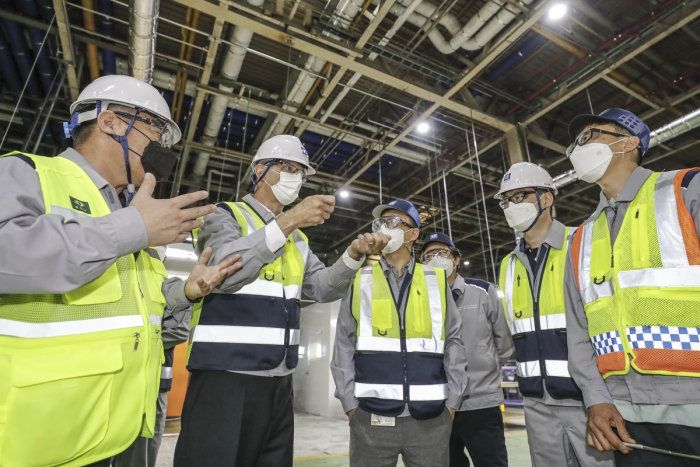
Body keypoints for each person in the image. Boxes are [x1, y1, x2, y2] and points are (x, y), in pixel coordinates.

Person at [0, 75, 241, 467]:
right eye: (156, 131)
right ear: (111, 122)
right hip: (40, 441)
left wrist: (187, 294)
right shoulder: (26, 174)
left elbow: (143, 321)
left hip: (123, 434)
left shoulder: (131, 216)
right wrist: (132, 228)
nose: (162, 149)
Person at [173, 134, 389, 467]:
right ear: (259, 170)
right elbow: (224, 272)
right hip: (224, 378)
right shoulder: (225, 216)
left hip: (279, 380)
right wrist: (289, 221)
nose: (296, 177)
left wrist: (353, 255)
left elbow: (321, 289)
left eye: (301, 172)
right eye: (287, 166)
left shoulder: (297, 240)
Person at [564, 108, 700, 466]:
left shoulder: (686, 191)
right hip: (624, 418)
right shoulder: (580, 238)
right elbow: (579, 331)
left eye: (589, 135)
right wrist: (596, 398)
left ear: (628, 142)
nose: (578, 148)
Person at [331, 200, 469, 467]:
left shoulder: (436, 280)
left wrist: (452, 401)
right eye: (381, 223)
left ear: (413, 233)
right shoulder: (360, 279)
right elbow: (344, 345)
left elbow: (453, 341)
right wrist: (350, 404)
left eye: (394, 222)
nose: (385, 228)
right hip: (371, 418)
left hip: (431, 419)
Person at [496, 163, 614, 467]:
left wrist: (601, 396)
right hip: (537, 402)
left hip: (588, 399)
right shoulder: (508, 265)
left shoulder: (582, 243)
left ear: (545, 199)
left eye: (519, 196)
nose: (511, 206)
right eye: (505, 200)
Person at [420, 232, 514, 467]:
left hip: (480, 403)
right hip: (438, 406)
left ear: (456, 259)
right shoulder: (419, 299)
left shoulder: (482, 291)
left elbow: (504, 344)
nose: (436, 258)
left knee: (491, 462)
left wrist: (484, 370)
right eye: (429, 255)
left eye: (442, 252)